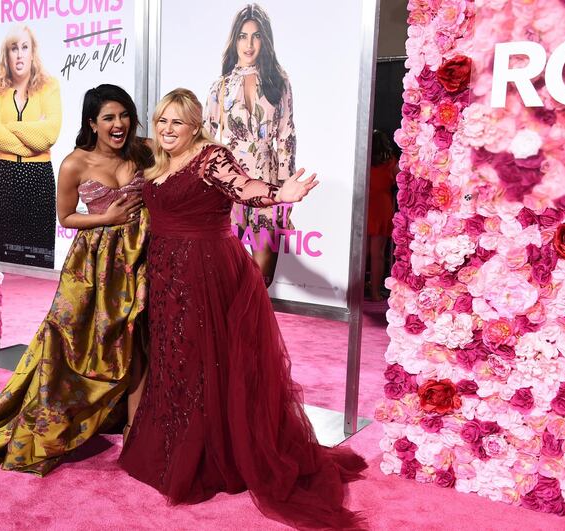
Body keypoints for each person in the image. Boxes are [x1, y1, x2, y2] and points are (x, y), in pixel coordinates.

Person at [119, 89, 366, 530]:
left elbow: (245, 188)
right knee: (171, 357)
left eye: (177, 122)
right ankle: (171, 443)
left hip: (205, 269)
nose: (168, 130)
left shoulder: (211, 156)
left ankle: (210, 454)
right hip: (164, 271)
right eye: (161, 122)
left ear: (196, 124)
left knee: (203, 357)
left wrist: (280, 192)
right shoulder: (156, 162)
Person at [0, 85, 153, 476]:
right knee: (79, 342)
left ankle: (135, 424)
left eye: (124, 115)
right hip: (95, 265)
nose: (118, 124)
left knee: (138, 340)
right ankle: (70, 410)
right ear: (92, 123)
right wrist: (106, 218)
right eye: (108, 117)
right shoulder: (75, 162)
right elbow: (67, 218)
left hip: (142, 257)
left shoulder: (145, 150)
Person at [204, 3, 295, 288]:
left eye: (255, 36)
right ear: (235, 40)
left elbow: (287, 137)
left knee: (261, 278)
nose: (249, 43)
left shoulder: (278, 82)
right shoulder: (220, 86)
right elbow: (206, 138)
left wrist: (284, 194)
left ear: (264, 40)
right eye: (243, 36)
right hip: (228, 186)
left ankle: (252, 330)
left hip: (267, 186)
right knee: (222, 273)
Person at [0, 24, 62, 268]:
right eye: (14, 48)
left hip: (38, 179)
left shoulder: (48, 85)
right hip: (3, 176)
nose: (20, 54)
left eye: (25, 47)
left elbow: (50, 134)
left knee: (38, 257)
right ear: (7, 54)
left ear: (33, 52)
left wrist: (9, 127)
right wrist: (31, 140)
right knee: (4, 256)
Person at [367, 130, 397, 302]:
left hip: (364, 204)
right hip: (382, 206)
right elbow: (400, 179)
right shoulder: (391, 161)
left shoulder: (363, 161)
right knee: (377, 253)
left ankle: (355, 292)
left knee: (360, 253)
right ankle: (375, 293)